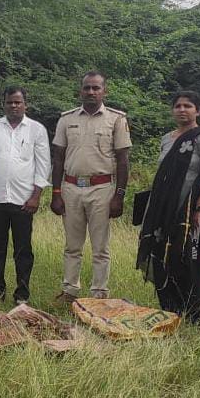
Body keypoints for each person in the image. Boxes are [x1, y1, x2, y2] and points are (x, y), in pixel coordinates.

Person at [136, 91, 200, 323]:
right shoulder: (167, 138)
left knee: (187, 259)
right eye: (178, 106)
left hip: (189, 212)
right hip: (162, 211)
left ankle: (194, 315)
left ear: (198, 111)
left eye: (188, 106)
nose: (182, 110)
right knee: (162, 257)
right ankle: (170, 310)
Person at [50, 71, 131, 302]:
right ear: (80, 91)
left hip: (102, 189)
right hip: (71, 187)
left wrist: (119, 196)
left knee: (100, 247)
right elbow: (58, 158)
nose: (91, 92)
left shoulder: (116, 119)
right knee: (72, 245)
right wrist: (56, 192)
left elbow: (123, 160)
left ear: (105, 91)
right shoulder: (67, 119)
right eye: (87, 88)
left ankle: (99, 294)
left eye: (96, 88)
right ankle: (69, 290)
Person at [0, 86, 51, 305]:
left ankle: (22, 295)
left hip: (23, 201)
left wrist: (36, 196)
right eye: (10, 102)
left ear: (26, 104)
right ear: (4, 104)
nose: (14, 106)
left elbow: (43, 165)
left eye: (18, 102)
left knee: (23, 249)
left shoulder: (36, 130)